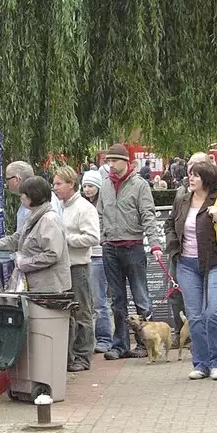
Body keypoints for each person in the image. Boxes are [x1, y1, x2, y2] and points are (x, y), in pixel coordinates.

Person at [165, 159, 217, 381]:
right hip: (187, 264)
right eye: (190, 175)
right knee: (195, 315)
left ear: (208, 179)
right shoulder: (182, 201)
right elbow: (170, 224)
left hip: (216, 263)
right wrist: (173, 247)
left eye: (196, 175)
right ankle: (201, 363)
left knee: (212, 312)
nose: (191, 179)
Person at [96, 141, 165, 360]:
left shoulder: (139, 185)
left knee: (141, 296)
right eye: (108, 161)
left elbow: (148, 215)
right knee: (117, 299)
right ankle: (120, 345)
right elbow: (99, 213)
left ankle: (146, 343)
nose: (111, 165)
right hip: (110, 248)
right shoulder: (105, 185)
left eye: (114, 161)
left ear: (126, 162)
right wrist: (101, 235)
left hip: (133, 246)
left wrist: (154, 243)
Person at [0, 175, 70, 293]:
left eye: (23, 194)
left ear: (32, 196)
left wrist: (24, 263)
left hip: (48, 288)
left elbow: (52, 255)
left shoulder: (48, 220)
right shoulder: (33, 216)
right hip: (36, 285)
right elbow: (17, 238)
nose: (21, 198)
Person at [53, 166, 100, 372]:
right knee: (67, 313)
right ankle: (69, 355)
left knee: (82, 312)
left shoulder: (84, 208)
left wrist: (65, 239)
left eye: (58, 184)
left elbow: (92, 237)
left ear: (71, 184)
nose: (54, 188)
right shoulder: (59, 207)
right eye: (54, 184)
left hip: (78, 266)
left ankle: (83, 356)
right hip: (61, 267)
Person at [80, 172, 113, 354]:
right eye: (85, 186)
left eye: (91, 186)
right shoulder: (82, 206)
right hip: (85, 256)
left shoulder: (103, 207)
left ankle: (105, 338)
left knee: (99, 300)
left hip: (99, 256)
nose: (87, 189)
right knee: (91, 301)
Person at [4, 161, 34, 231]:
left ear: (17, 179)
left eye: (7, 179)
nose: (6, 184)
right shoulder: (25, 201)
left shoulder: (38, 202)